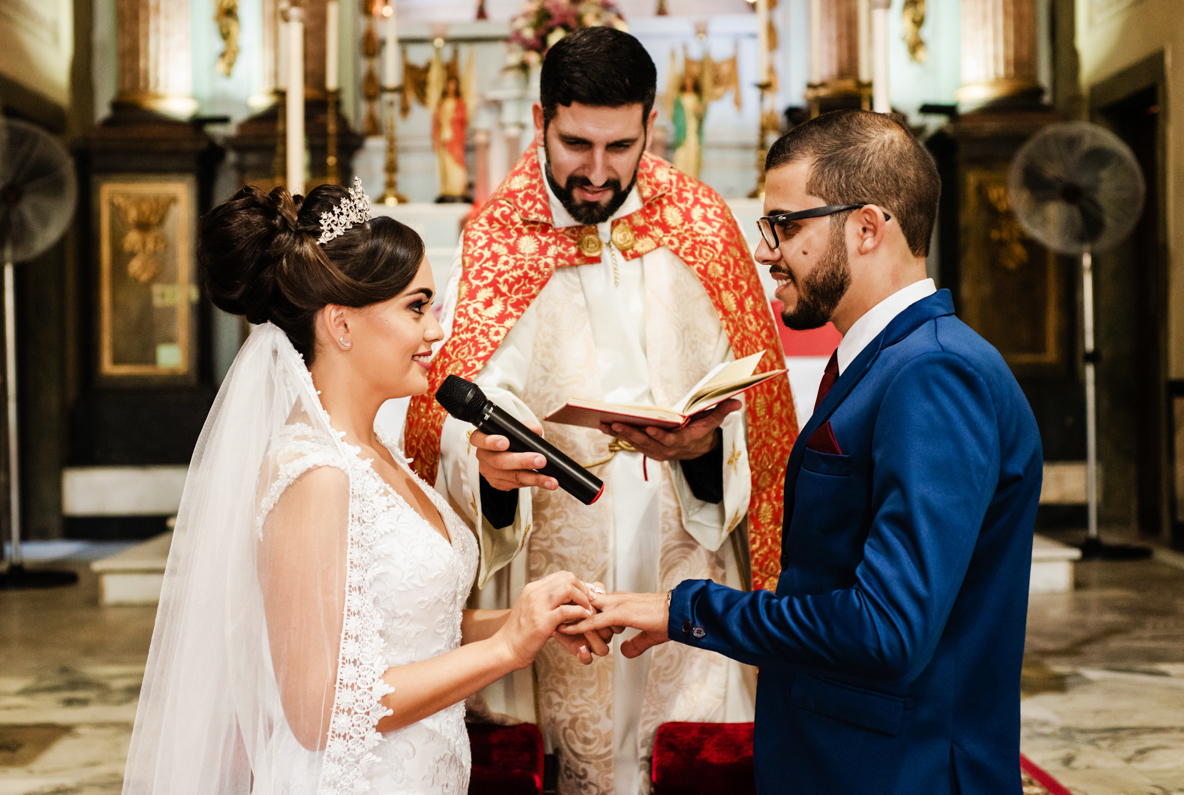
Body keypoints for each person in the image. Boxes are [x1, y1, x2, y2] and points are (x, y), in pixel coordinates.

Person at [567, 110, 1044, 794]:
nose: (767, 250)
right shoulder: (885, 362)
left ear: (867, 227)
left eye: (786, 225)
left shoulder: (936, 374)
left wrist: (687, 609)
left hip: (901, 770)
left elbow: (887, 628)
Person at [404, 27, 798, 795]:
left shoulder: (702, 226)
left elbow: (760, 410)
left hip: (682, 572)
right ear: (541, 119)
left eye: (620, 145)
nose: (596, 170)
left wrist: (702, 450)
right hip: (552, 577)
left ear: (651, 123)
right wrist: (483, 462)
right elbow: (444, 419)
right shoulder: (497, 238)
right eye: (576, 143)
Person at [122, 179, 602, 795]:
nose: (437, 333)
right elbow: (319, 710)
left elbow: (406, 631)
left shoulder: (379, 454)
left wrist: (530, 619)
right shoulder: (315, 473)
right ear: (341, 325)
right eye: (416, 306)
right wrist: (508, 647)